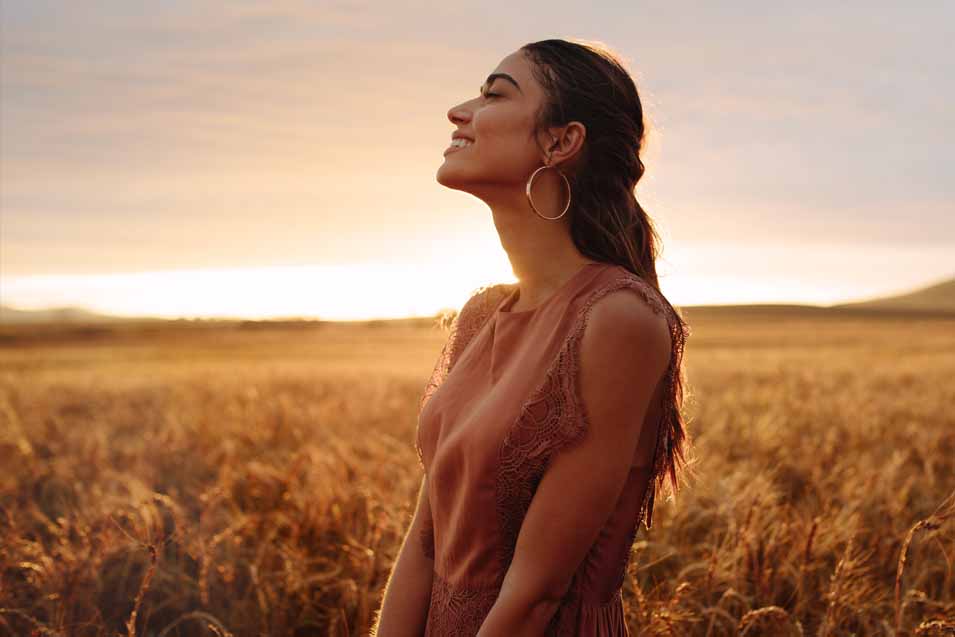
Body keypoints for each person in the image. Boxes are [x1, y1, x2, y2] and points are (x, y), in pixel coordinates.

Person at [372, 38, 693, 637]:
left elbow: (537, 594)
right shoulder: (483, 316)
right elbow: (424, 545)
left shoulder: (618, 318)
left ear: (560, 141)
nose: (459, 111)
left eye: (494, 94)